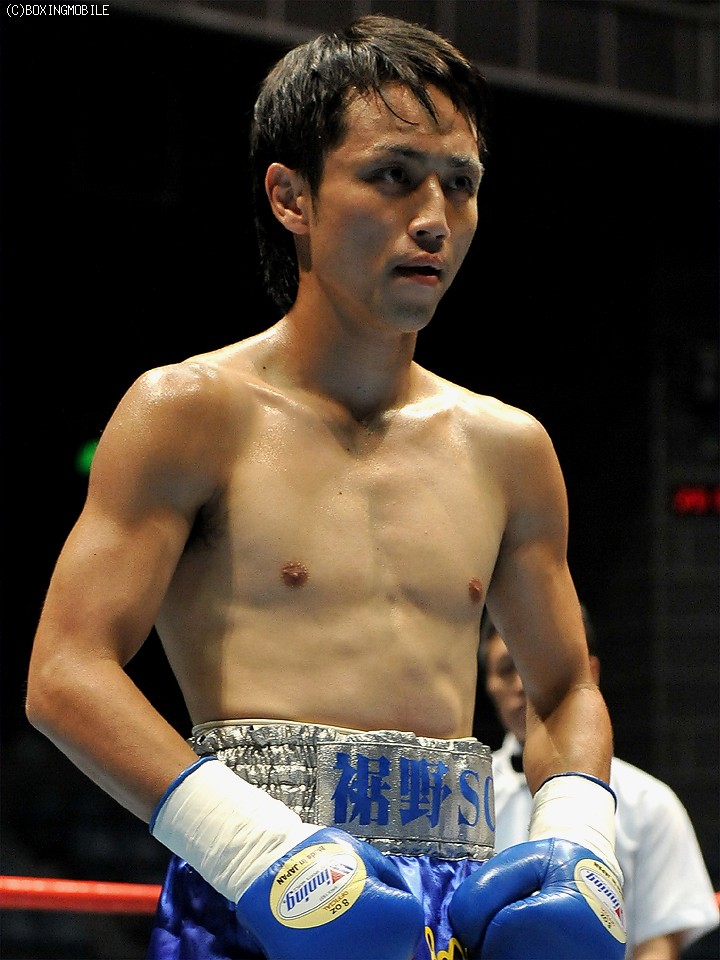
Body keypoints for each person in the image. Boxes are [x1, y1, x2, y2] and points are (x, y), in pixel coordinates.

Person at [26, 14, 628, 960]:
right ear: (290, 196)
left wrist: (581, 837)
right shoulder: (190, 412)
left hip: (453, 910)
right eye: (393, 176)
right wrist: (257, 850)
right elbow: (65, 671)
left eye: (461, 183)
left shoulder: (508, 447)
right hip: (251, 893)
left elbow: (563, 688)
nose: (434, 217)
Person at [480, 606, 720, 960]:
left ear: (588, 674)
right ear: (488, 684)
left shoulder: (650, 803)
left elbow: (659, 945)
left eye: (535, 665)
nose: (521, 683)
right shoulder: (465, 799)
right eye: (506, 669)